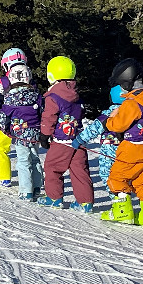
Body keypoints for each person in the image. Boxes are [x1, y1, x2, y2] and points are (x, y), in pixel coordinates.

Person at [100, 58, 143, 228]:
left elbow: (119, 124)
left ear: (126, 83)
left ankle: (123, 212)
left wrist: (109, 122)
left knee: (116, 177)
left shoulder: (132, 103)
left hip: (133, 148)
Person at [37, 56, 94, 211]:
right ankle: (85, 202)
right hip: (78, 140)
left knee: (52, 167)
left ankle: (54, 198)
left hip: (61, 141)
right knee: (79, 170)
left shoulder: (53, 96)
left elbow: (49, 117)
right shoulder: (76, 94)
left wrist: (44, 135)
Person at [0, 47, 32, 187]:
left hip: (5, 121)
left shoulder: (3, 81)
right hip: (27, 121)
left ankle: (3, 178)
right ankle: (31, 182)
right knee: (28, 151)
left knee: (1, 148)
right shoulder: (31, 79)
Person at [0, 63, 43, 200]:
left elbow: (3, 117)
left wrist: (5, 129)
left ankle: (26, 191)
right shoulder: (37, 96)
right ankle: (37, 187)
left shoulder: (10, 97)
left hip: (21, 135)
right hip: (35, 134)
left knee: (23, 161)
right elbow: (42, 112)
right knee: (35, 159)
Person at [71, 84, 125, 196]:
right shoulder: (132, 113)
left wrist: (80, 139)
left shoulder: (108, 114)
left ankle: (117, 201)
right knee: (123, 174)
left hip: (110, 149)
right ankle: (124, 197)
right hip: (128, 148)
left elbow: (94, 128)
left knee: (107, 174)